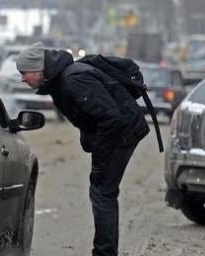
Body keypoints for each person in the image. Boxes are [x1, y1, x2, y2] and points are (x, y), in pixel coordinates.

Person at [16, 42, 150, 256]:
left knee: (102, 191)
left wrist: (99, 159)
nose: (22, 79)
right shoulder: (61, 80)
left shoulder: (73, 80)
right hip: (118, 131)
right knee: (102, 190)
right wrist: (88, 137)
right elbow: (90, 114)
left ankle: (104, 252)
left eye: (24, 73)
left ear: (38, 70)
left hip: (123, 132)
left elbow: (110, 118)